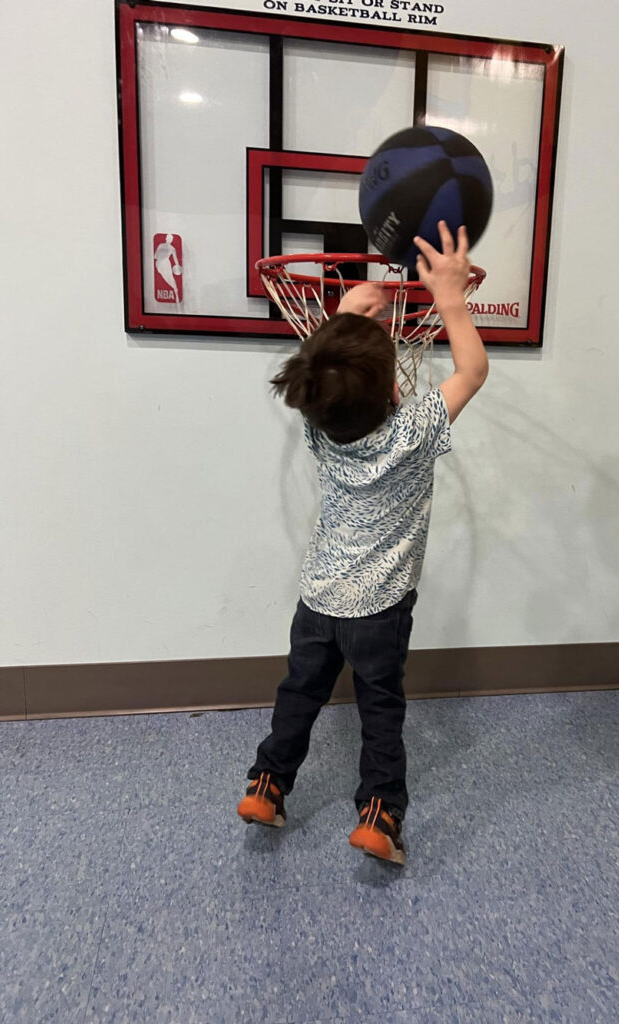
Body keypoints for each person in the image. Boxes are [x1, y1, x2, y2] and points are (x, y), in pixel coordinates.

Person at [237, 222, 488, 864]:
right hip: (379, 612)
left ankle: (267, 784)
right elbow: (473, 369)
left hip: (318, 601)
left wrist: (343, 314)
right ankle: (379, 816)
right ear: (391, 388)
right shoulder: (413, 432)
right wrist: (451, 299)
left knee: (301, 693)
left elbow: (335, 377)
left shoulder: (322, 427)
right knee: (381, 712)